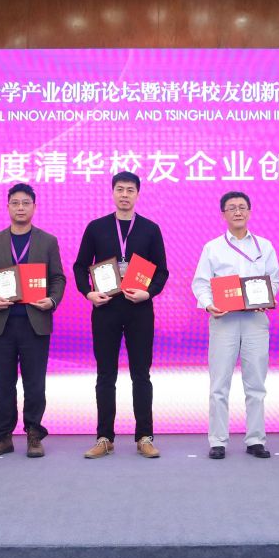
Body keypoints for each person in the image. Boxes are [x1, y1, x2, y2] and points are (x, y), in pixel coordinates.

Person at [72, 171, 170, 459]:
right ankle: (104, 438)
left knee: (141, 375)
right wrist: (88, 293)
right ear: (112, 192)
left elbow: (162, 271)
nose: (125, 194)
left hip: (140, 309)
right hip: (105, 309)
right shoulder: (96, 228)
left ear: (138, 194)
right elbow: (80, 266)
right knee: (105, 375)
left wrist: (148, 293)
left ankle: (144, 437)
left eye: (130, 190)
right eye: (120, 189)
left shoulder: (150, 229)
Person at [0, 183, 67, 458]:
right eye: (15, 203)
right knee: (3, 383)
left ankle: (34, 434)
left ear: (34, 207)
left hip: (34, 322)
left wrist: (52, 300)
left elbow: (58, 277)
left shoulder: (47, 241)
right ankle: (2, 436)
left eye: (26, 203)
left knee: (34, 383)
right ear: (7, 207)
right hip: (1, 323)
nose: (20, 208)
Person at [190, 191, 279, 460]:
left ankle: (255, 439)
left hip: (255, 320)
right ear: (223, 214)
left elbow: (273, 280)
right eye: (232, 208)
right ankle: (218, 440)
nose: (238, 212)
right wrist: (209, 305)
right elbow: (201, 283)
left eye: (242, 207)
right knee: (219, 384)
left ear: (250, 212)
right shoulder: (212, 247)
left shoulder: (264, 246)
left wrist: (268, 298)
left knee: (256, 384)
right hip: (224, 320)